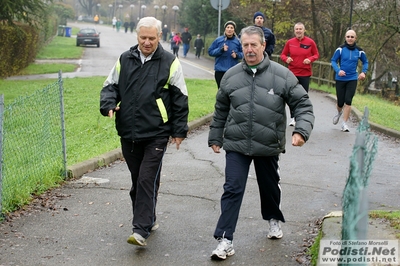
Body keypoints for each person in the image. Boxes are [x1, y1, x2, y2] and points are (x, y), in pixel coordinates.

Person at [208, 26, 314, 260]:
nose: (249, 49)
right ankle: (225, 239)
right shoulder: (231, 75)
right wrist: (215, 137)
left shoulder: (282, 75)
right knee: (232, 188)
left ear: (263, 46)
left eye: (253, 45)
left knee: (269, 186)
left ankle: (273, 218)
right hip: (237, 143)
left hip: (268, 143)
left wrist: (301, 131)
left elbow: (303, 105)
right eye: (245, 45)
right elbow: (221, 110)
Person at [100, 16, 189, 247]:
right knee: (139, 180)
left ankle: (140, 230)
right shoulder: (124, 59)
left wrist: (179, 130)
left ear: (160, 37)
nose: (147, 42)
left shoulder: (170, 61)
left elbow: (180, 98)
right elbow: (110, 85)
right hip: (128, 132)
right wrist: (108, 105)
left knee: (145, 180)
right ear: (137, 36)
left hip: (157, 132)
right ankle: (149, 219)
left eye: (151, 38)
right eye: (143, 37)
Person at [280, 22, 319, 126]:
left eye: (300, 29)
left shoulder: (310, 42)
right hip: (292, 73)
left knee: (302, 96)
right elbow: (283, 55)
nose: (298, 31)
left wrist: (310, 59)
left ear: (304, 30)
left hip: (305, 73)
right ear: (294, 31)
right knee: (292, 95)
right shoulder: (290, 42)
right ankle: (293, 117)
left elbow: (316, 55)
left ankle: (301, 117)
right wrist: (286, 59)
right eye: (296, 29)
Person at [331, 29, 368, 132]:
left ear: (355, 38)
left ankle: (344, 123)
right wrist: (338, 70)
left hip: (352, 78)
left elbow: (365, 62)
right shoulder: (340, 49)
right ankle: (339, 113)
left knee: (348, 101)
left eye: (352, 37)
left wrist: (363, 72)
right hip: (340, 79)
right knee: (340, 102)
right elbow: (333, 60)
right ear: (345, 38)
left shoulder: (359, 51)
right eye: (348, 37)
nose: (350, 39)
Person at [208, 21, 243, 88]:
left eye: (231, 28)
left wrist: (237, 55)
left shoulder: (238, 41)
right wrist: (220, 50)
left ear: (234, 30)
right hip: (220, 70)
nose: (229, 29)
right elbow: (210, 52)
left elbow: (244, 53)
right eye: (228, 27)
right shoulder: (218, 40)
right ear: (225, 29)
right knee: (221, 91)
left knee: (232, 90)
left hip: (233, 71)